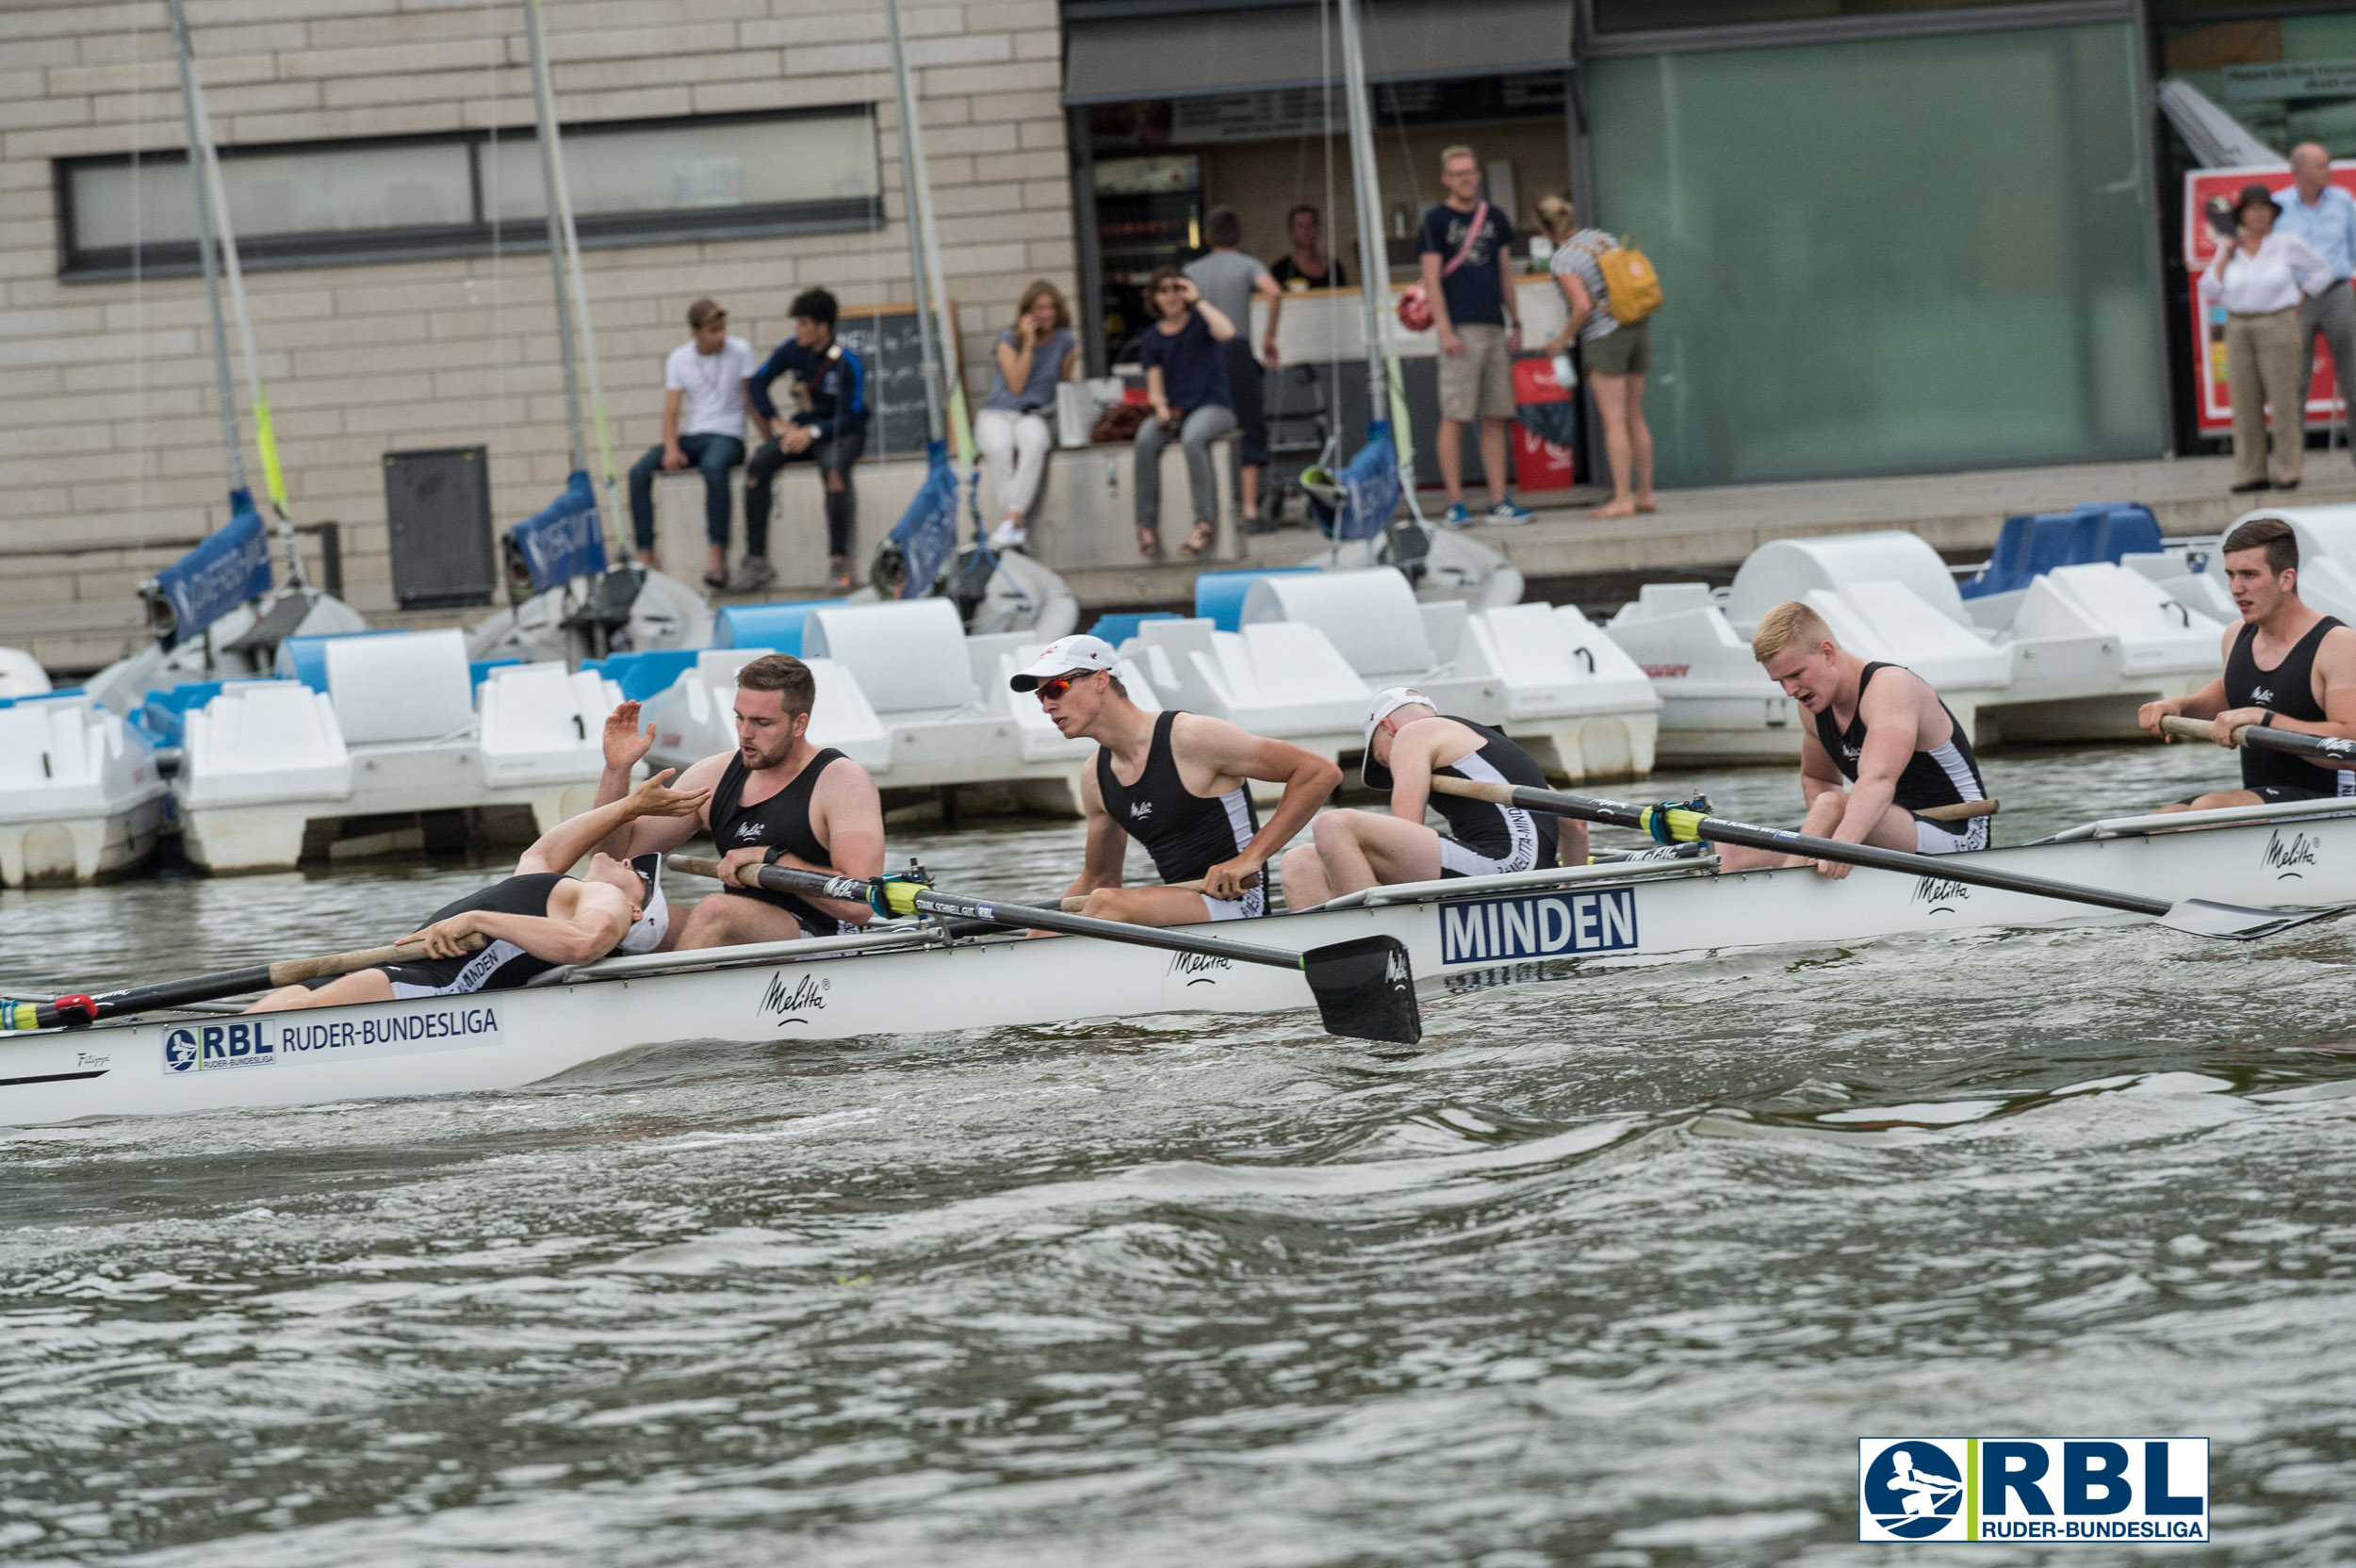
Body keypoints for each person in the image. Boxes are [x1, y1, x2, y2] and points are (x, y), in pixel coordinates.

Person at [246, 770, 708, 1012]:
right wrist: (628, 805)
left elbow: (585, 944)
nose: (631, 861)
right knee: (273, 1011)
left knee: (288, 1014)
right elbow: (552, 846)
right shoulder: (550, 886)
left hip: (432, 989)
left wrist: (480, 920)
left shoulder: (602, 903)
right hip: (396, 968)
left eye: (641, 877)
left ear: (635, 910)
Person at [1010, 634, 1340, 925]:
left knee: (1107, 904)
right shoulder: (1094, 777)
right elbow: (1099, 878)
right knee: (1086, 906)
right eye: (1041, 696)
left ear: (1099, 680)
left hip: (1239, 905)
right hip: (1181, 912)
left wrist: (1250, 859)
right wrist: (1032, 936)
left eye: (1056, 688)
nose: (1047, 706)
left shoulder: (1191, 737)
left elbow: (1318, 772)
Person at [590, 653, 887, 948]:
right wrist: (617, 770)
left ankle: (671, 991)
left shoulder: (842, 781)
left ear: (799, 725)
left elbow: (859, 906)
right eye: (740, 718)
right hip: (743, 930)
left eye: (762, 723)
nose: (745, 734)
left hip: (825, 938)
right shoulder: (714, 776)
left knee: (715, 911)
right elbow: (611, 857)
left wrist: (773, 859)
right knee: (615, 908)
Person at [1717, 601, 1992, 876]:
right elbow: (1819, 779)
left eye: (1796, 675)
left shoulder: (1890, 687)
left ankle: (1788, 900)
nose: (1790, 690)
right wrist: (1824, 841)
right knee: (1728, 848)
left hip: (1961, 832)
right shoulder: (1813, 710)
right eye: (1780, 681)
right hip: (1887, 830)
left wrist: (1842, 844)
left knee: (1832, 806)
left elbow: (1879, 779)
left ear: (1827, 653)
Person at [1280, 688, 1579, 907]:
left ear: (1387, 727)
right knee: (1300, 860)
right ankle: (1327, 951)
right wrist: (1569, 886)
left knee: (1334, 824)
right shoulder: (1490, 748)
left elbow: (1406, 830)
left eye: (1381, 758)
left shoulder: (1413, 734)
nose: (1390, 765)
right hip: (1526, 871)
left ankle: (1372, 937)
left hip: (1504, 868)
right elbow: (1574, 821)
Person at [2138, 516, 2356, 809]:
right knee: (2165, 818)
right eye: (2231, 575)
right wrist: (2180, 706)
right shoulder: (2235, 635)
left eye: (2249, 575)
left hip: (2333, 804)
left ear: (2286, 579)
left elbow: (2351, 744)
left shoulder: (2337, 644)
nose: (2236, 588)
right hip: (2267, 799)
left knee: (2208, 809)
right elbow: (2231, 691)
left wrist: (2266, 720)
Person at [1417, 145, 1534, 528]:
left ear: (1478, 175)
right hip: (1460, 328)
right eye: (1458, 174)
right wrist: (1445, 328)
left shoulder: (1495, 217)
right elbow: (1432, 278)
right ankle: (1455, 502)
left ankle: (1499, 499)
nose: (1466, 179)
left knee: (1495, 414)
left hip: (1493, 325)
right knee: (1455, 414)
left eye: (1470, 172)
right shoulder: (1435, 220)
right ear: (1445, 179)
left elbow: (1504, 271)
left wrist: (1515, 320)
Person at [2202, 182, 2331, 495]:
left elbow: (2322, 270)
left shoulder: (2286, 243)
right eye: (2253, 208)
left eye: (2265, 209)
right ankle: (2251, 472)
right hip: (2238, 325)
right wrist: (2224, 257)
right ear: (2241, 215)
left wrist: (2302, 295)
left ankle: (2288, 470)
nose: (2259, 214)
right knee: (2244, 401)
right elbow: (2209, 290)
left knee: (2283, 398)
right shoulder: (2229, 248)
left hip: (2277, 321)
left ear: (2272, 214)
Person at [1535, 193, 1655, 520]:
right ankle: (1644, 494)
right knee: (1635, 415)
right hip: (1635, 328)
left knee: (1614, 420)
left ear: (1545, 228)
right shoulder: (1604, 237)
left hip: (1605, 337)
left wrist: (1562, 340)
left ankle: (1621, 498)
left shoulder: (1564, 260)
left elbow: (1582, 305)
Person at [746, 289, 870, 592]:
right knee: (758, 466)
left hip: (839, 433)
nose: (797, 330)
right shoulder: (792, 350)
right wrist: (774, 420)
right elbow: (757, 381)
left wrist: (812, 433)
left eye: (803, 323)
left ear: (823, 328)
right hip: (801, 431)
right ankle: (756, 560)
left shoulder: (848, 363)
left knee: (833, 472)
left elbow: (853, 415)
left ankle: (840, 561)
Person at [628, 299, 754, 581]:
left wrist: (771, 440)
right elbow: (671, 411)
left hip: (728, 435)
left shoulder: (741, 351)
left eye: (722, 329)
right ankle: (646, 554)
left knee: (713, 467)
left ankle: (716, 554)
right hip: (694, 435)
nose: (720, 336)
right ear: (695, 332)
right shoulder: (679, 358)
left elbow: (752, 402)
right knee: (638, 472)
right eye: (712, 331)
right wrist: (672, 448)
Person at [1135, 267, 1239, 561]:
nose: (1171, 296)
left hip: (1215, 408)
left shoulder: (1200, 322)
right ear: (1154, 297)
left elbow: (1228, 332)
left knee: (1193, 438)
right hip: (1177, 411)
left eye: (1177, 288)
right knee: (1144, 438)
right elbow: (1155, 387)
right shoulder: (1152, 339)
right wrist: (1161, 408)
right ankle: (1145, 524)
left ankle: (1204, 524)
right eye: (1164, 290)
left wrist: (1199, 300)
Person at [1186, 207, 1283, 523]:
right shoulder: (1247, 265)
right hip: (1237, 350)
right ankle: (1250, 508)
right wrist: (1269, 337)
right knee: (1248, 426)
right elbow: (1274, 291)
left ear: (1208, 237)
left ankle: (1217, 506)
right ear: (1239, 237)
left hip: (1201, 354)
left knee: (1205, 426)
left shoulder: (1190, 271)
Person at [975, 280, 1078, 551]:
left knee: (1035, 444)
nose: (1046, 314)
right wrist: (1029, 344)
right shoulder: (1008, 339)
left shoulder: (1066, 340)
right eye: (1040, 308)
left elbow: (1063, 383)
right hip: (998, 412)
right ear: (1027, 312)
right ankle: (1015, 527)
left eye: (1051, 308)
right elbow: (1016, 385)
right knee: (1000, 449)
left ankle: (1010, 521)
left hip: (1035, 413)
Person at [2274, 144, 2356, 470]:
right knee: (2293, 384)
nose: (2329, 170)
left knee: (2354, 379)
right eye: (2322, 165)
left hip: (2337, 292)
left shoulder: (2343, 201)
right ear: (2301, 171)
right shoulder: (2278, 206)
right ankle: (2290, 467)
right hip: (2297, 299)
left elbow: (2353, 246)